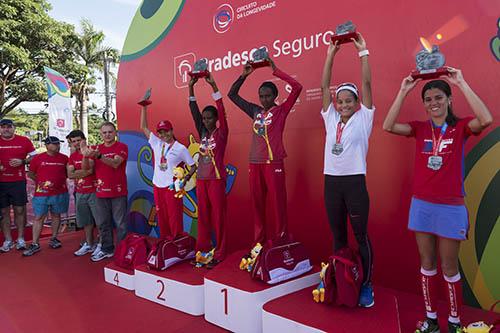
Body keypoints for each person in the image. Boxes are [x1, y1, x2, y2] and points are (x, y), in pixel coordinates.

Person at [383, 69, 492, 333]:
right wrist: (404, 90)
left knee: (449, 267)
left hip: (450, 207)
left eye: (439, 97)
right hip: (422, 205)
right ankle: (431, 320)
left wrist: (461, 82)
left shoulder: (461, 127)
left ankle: (454, 323)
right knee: (427, 264)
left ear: (449, 99)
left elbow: (486, 119)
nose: (434, 103)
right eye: (429, 99)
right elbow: (388, 126)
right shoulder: (420, 129)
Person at [321, 34, 375, 308]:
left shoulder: (364, 118)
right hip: (331, 183)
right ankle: (338, 279)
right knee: (338, 235)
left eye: (348, 101)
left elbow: (366, 84)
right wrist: (331, 53)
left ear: (357, 103)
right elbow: (323, 87)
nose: (343, 105)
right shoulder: (330, 117)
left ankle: (366, 284)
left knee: (361, 235)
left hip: (354, 183)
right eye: (340, 101)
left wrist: (362, 52)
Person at [228, 57, 302, 248]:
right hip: (254, 163)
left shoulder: (282, 111)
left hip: (273, 163)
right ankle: (259, 244)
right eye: (261, 96)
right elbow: (232, 95)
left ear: (275, 96)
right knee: (258, 206)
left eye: (268, 95)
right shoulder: (255, 111)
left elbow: (297, 87)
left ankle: (281, 241)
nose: (264, 99)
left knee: (278, 206)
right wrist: (243, 75)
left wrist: (275, 69)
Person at [140, 97, 197, 240]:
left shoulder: (181, 148)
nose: (163, 134)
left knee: (174, 217)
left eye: (166, 131)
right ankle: (165, 242)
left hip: (172, 186)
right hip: (157, 185)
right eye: (160, 132)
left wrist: (184, 180)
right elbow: (144, 127)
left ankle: (177, 241)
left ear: (171, 131)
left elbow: (193, 166)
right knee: (162, 216)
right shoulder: (157, 143)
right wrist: (144, 107)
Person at [188, 73, 228, 267]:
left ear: (216, 119)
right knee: (203, 217)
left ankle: (220, 252)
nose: (205, 121)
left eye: (209, 118)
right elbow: (194, 111)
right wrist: (191, 88)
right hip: (202, 180)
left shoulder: (221, 133)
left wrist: (213, 86)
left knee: (218, 218)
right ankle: (202, 250)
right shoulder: (203, 132)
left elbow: (221, 108)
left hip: (216, 180)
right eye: (204, 119)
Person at [81, 122, 128, 262]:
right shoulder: (96, 148)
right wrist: (85, 155)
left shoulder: (121, 147)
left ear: (115, 133)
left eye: (110, 132)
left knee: (120, 224)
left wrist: (99, 156)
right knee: (103, 223)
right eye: (104, 132)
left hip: (118, 191)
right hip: (101, 192)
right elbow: (86, 169)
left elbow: (115, 164)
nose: (107, 135)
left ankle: (122, 250)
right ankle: (107, 249)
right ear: (100, 134)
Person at [23, 136, 69, 256]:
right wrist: (41, 183)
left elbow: (67, 174)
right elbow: (31, 174)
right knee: (39, 217)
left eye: (58, 144)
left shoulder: (65, 158)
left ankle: (54, 238)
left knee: (56, 215)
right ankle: (35, 243)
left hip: (59, 193)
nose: (57, 146)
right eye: (55, 144)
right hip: (41, 194)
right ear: (47, 145)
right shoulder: (37, 158)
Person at [0, 119, 36, 252]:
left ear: (14, 128)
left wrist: (23, 161)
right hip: (1, 183)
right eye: (3, 127)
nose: (6, 129)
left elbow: (34, 157)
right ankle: (8, 240)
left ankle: (20, 239)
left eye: (9, 127)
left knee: (20, 210)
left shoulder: (24, 140)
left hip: (18, 181)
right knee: (3, 212)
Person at [66, 130, 100, 256]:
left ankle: (101, 244)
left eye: (78, 140)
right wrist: (80, 173)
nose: (76, 143)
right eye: (73, 141)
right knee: (86, 221)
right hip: (80, 192)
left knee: (100, 220)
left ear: (84, 139)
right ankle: (89, 244)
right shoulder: (72, 156)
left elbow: (89, 171)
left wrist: (78, 172)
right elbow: (70, 174)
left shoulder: (91, 152)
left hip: (94, 191)